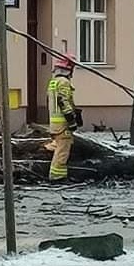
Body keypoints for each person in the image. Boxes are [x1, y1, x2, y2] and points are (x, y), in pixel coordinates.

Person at [47, 53, 81, 183]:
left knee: (57, 147)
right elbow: (64, 102)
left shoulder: (54, 82)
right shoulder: (64, 82)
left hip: (54, 123)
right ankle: (57, 177)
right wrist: (71, 120)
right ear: (69, 69)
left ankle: (55, 173)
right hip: (63, 124)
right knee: (62, 151)